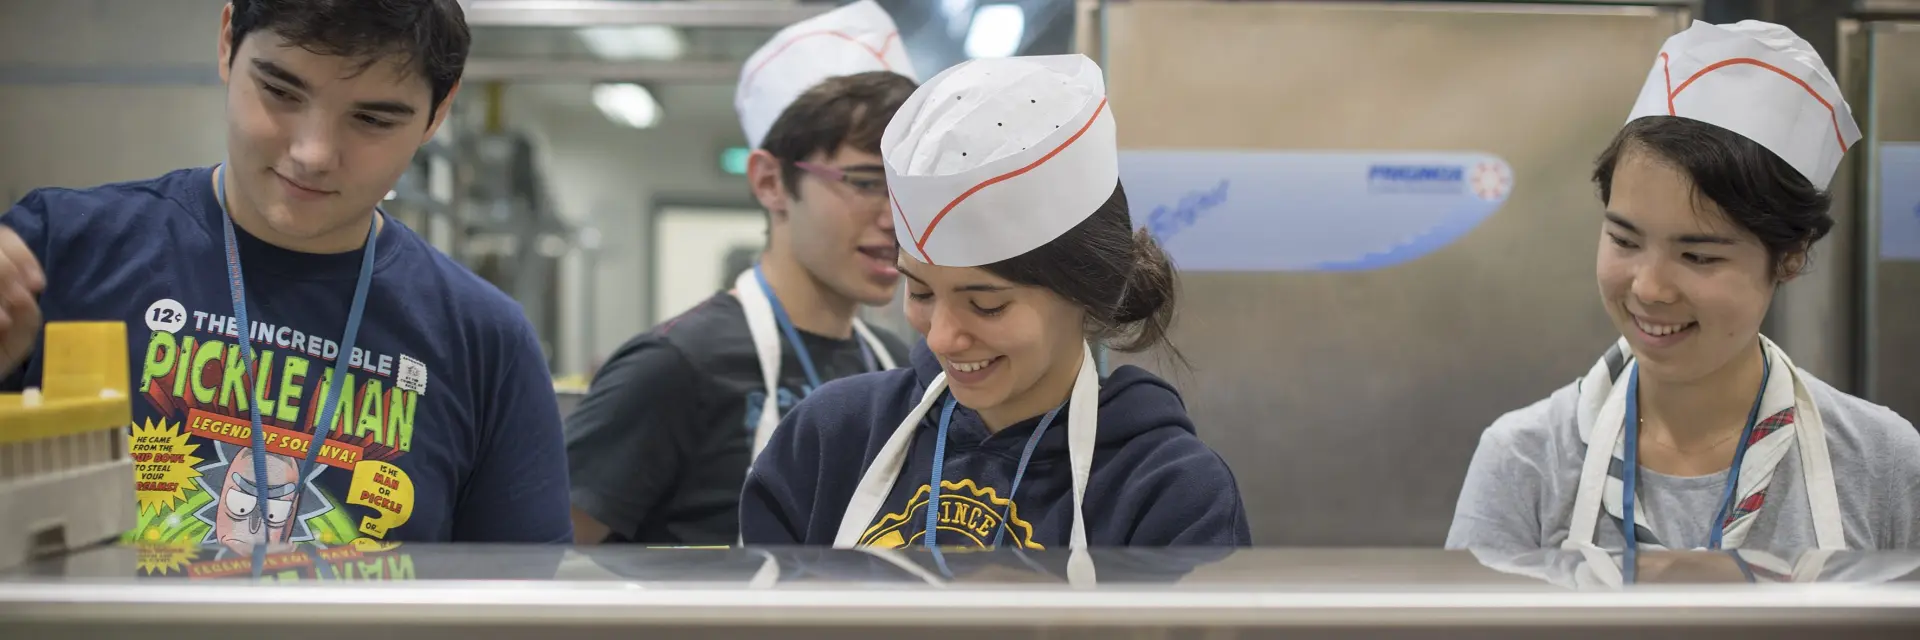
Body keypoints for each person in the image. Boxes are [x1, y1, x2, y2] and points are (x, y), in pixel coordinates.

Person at [0, 0, 572, 547]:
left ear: (438, 113)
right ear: (228, 42)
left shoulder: (484, 344)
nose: (313, 153)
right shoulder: (57, 252)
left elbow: (519, 592)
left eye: (371, 119)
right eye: (280, 91)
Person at [1446, 20, 1920, 559]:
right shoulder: (1525, 461)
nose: (1649, 288)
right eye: (1625, 240)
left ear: (1789, 256)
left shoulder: (1881, 463)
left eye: (1698, 256)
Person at [739, 54, 1252, 550]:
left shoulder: (1167, 490)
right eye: (920, 292)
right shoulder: (833, 439)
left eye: (986, 305)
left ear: (1086, 288)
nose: (941, 338)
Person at [564, 0, 919, 545]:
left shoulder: (893, 365)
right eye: (867, 182)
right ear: (770, 182)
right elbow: (544, 558)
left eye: (907, 187)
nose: (896, 217)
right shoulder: (676, 367)